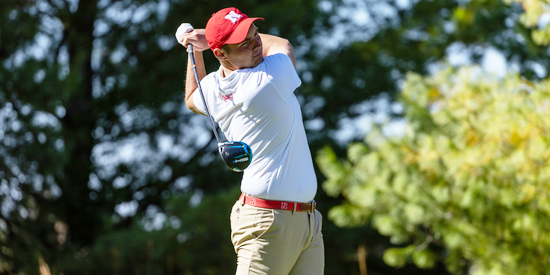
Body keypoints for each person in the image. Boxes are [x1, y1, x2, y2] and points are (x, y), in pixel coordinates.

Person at [177, 7, 324, 275]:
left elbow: (192, 96)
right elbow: (283, 45)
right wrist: (203, 38)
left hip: (306, 222)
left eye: (255, 34)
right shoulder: (268, 78)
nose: (256, 44)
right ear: (220, 54)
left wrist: (195, 50)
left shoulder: (213, 89)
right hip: (267, 223)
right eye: (244, 43)